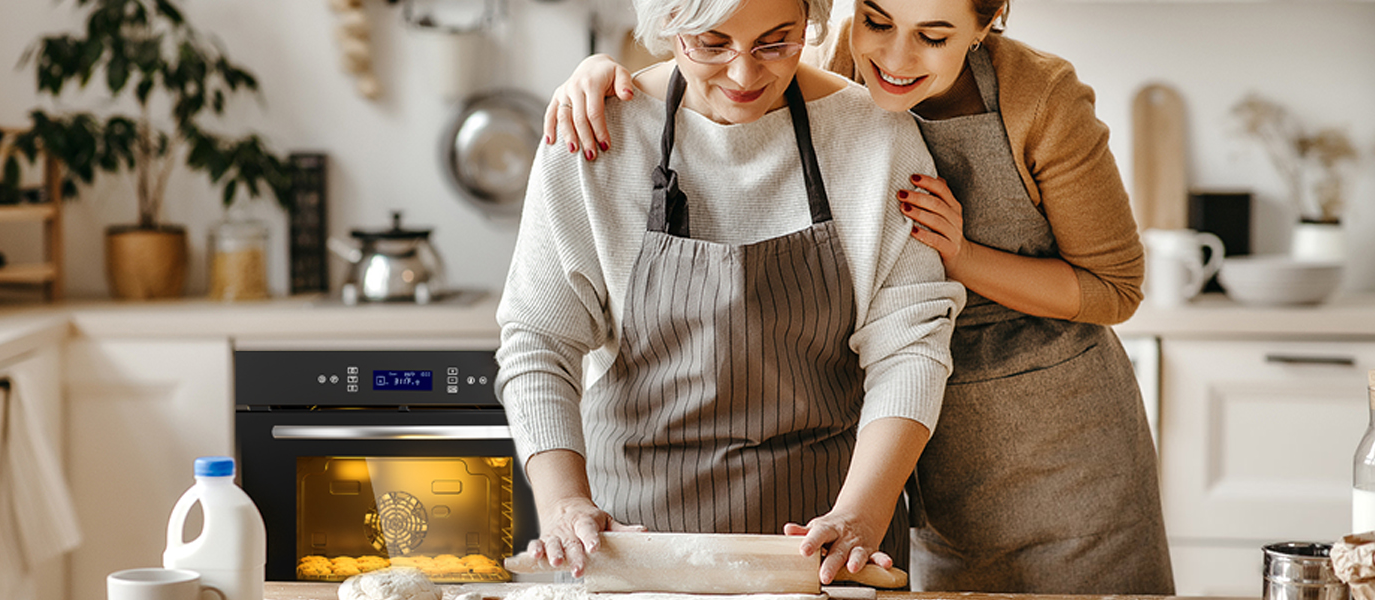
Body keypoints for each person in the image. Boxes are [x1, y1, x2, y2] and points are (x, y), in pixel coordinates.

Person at [537, 0, 1176, 595]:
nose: (896, 60)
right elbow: (735, 57)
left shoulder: (1035, 97)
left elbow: (1113, 288)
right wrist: (601, 74)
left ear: (985, 25)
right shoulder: (828, 68)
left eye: (933, 36)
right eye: (877, 21)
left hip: (1055, 438)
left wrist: (961, 255)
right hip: (918, 453)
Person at [494, 0, 965, 586]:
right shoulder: (593, 131)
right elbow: (539, 341)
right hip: (635, 546)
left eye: (776, 42)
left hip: (826, 548)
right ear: (668, 27)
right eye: (712, 45)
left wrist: (860, 514)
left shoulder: (876, 136)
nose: (745, 76)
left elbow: (910, 347)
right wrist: (564, 502)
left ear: (810, 25)